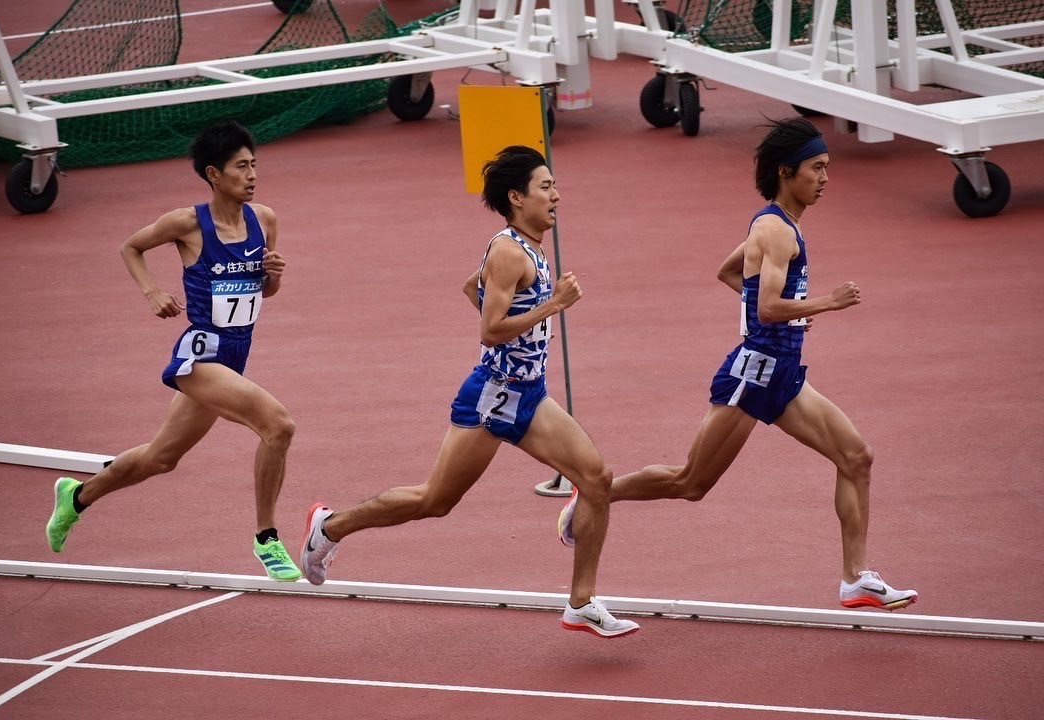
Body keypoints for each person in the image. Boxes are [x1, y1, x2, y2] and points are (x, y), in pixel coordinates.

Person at [558, 118, 918, 611]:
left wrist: (785, 323)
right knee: (691, 483)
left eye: (827, 168)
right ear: (787, 172)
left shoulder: (778, 226)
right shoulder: (774, 229)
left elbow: (731, 274)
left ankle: (854, 578)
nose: (825, 178)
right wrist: (823, 304)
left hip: (783, 374)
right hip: (754, 375)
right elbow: (768, 305)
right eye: (817, 168)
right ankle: (594, 496)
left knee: (857, 457)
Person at [299, 145, 639, 638]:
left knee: (597, 477)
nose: (556, 195)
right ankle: (329, 527)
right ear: (517, 197)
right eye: (546, 187)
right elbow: (491, 330)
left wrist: (529, 303)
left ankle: (580, 604)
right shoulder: (507, 250)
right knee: (434, 500)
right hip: (493, 396)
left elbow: (470, 288)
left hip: (529, 393)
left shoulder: (528, 249)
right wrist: (553, 306)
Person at [45, 119, 301, 582]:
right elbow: (131, 247)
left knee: (160, 459)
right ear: (214, 175)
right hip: (199, 357)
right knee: (278, 425)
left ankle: (77, 497)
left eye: (254, 164)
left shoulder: (265, 220)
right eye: (241, 167)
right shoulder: (187, 223)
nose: (252, 175)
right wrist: (152, 293)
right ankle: (267, 539)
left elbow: (264, 292)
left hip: (235, 358)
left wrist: (275, 275)